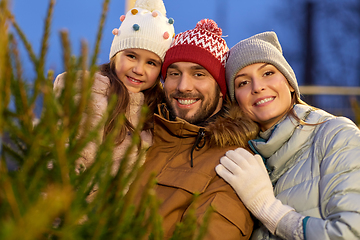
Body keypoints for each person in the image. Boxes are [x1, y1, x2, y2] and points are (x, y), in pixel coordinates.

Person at [215, 31, 360, 240]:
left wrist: (271, 211)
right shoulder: (246, 158)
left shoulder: (336, 135)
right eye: (243, 83)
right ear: (236, 101)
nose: (258, 87)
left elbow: (350, 233)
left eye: (267, 73)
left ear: (290, 82)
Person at [135, 19, 259, 239]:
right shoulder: (141, 134)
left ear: (221, 89)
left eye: (198, 74)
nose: (183, 86)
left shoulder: (232, 162)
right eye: (174, 73)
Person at [53, 0, 175, 179]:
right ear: (115, 54)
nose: (139, 70)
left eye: (151, 63)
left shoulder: (157, 111)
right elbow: (64, 158)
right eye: (131, 56)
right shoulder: (89, 95)